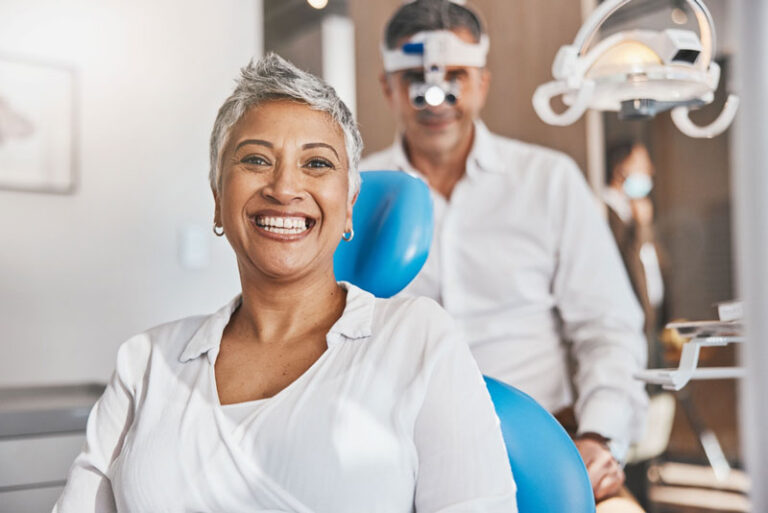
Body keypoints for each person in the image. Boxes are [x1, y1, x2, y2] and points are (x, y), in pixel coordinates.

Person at [53, 53, 517, 513]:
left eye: (316, 164)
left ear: (350, 205)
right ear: (218, 199)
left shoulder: (417, 337)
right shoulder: (146, 361)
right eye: (256, 159)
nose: (283, 188)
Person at [360, 0, 648, 509]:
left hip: (551, 443)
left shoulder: (549, 180)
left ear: (482, 83)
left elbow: (609, 326)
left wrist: (600, 436)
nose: (436, 97)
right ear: (387, 88)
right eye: (415, 79)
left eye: (455, 76)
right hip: (403, 455)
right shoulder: (356, 195)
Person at [604, 141, 666, 362]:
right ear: (620, 167)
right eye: (642, 164)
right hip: (625, 320)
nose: (650, 171)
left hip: (649, 319)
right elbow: (625, 259)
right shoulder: (605, 210)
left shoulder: (637, 208)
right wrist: (640, 226)